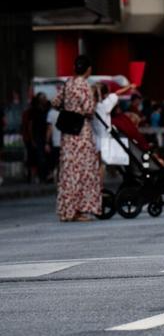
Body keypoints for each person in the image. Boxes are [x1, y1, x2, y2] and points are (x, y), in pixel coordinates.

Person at [50, 55, 101, 222]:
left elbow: (55, 102)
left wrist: (68, 107)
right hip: (81, 132)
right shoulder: (84, 85)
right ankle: (79, 210)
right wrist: (94, 96)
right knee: (84, 170)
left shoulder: (68, 83)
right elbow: (89, 110)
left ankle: (67, 210)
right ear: (88, 69)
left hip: (68, 134)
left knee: (69, 171)